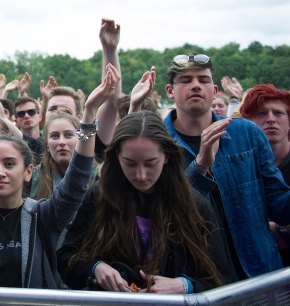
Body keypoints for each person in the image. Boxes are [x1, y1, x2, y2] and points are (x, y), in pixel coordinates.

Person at [0, 61, 118, 288]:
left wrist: (90, 111)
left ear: (28, 172)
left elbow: (77, 180)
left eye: (9, 164)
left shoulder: (44, 216)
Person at [58, 111, 228, 293]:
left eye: (150, 163)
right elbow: (65, 259)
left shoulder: (194, 205)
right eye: (130, 163)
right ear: (116, 156)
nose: (141, 175)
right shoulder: (100, 197)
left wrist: (185, 286)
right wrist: (95, 268)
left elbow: (221, 277)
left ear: (167, 156)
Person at [163, 53, 290, 280]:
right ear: (170, 91)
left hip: (259, 275)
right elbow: (165, 216)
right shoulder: (158, 142)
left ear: (214, 89)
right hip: (201, 282)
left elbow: (278, 204)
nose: (195, 86)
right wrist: (200, 166)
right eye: (186, 80)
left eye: (203, 80)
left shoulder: (247, 134)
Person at [240, 84, 290, 265]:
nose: (270, 119)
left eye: (278, 113)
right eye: (261, 113)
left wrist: (276, 229)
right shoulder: (240, 169)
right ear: (248, 122)